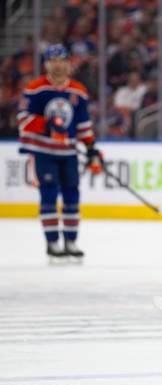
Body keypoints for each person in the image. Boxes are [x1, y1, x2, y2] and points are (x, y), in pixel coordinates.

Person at [17, 44, 103, 261]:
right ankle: (52, 243)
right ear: (47, 63)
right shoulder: (36, 89)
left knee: (72, 196)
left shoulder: (78, 91)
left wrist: (91, 150)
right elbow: (22, 119)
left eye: (62, 59)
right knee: (48, 194)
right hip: (43, 152)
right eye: (53, 60)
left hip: (68, 154)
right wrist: (49, 126)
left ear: (68, 62)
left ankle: (71, 241)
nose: (58, 64)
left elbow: (83, 125)